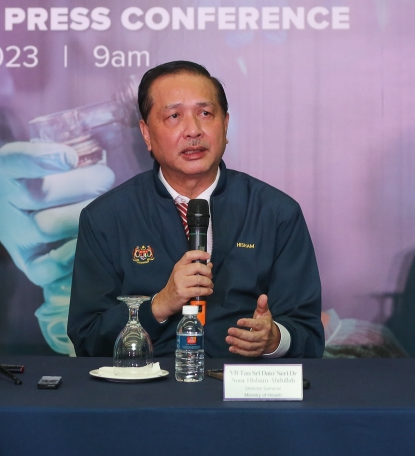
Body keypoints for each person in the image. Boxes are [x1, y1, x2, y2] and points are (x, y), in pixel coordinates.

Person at [67, 61, 324, 359]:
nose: (193, 130)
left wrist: (275, 340)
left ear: (225, 125)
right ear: (146, 134)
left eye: (205, 114)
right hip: (149, 383)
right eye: (174, 116)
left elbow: (309, 336)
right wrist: (159, 305)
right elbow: (87, 339)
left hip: (240, 383)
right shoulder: (106, 218)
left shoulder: (276, 213)